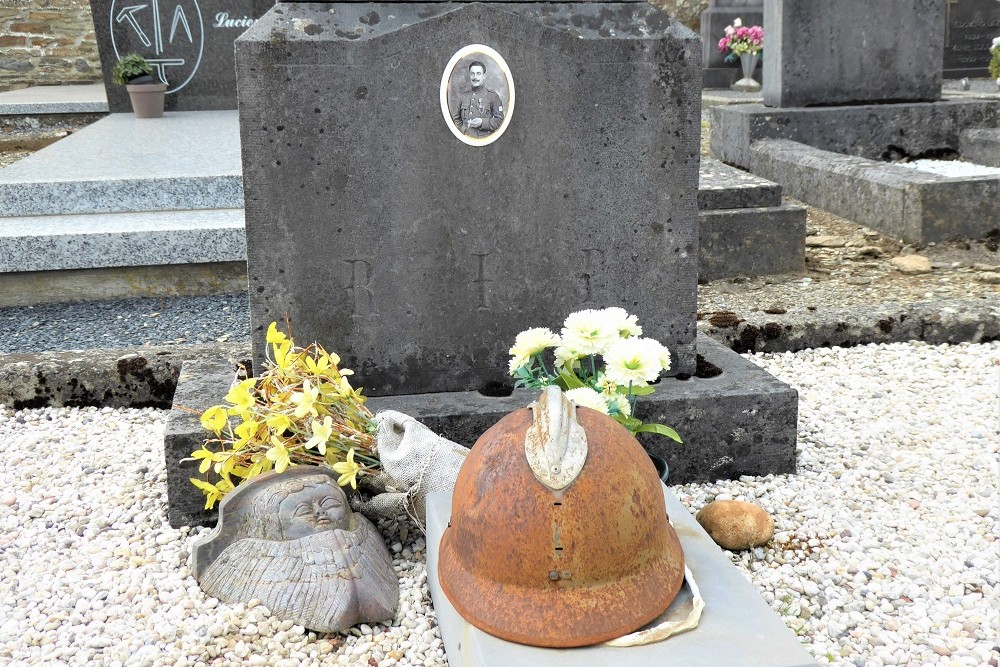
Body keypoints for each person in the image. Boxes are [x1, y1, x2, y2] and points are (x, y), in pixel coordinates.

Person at [452, 59, 505, 138]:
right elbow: (456, 118)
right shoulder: (462, 96)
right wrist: (463, 131)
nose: (475, 77)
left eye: (478, 74)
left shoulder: (492, 96)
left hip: (485, 140)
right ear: (469, 75)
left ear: (484, 76)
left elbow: (499, 120)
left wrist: (482, 122)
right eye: (472, 74)